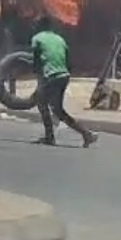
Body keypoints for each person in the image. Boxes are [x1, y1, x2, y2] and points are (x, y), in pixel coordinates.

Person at [30, 14, 96, 148]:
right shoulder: (60, 39)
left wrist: (38, 76)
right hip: (64, 75)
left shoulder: (36, 38)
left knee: (41, 102)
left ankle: (50, 137)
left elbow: (36, 62)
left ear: (40, 26)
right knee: (58, 110)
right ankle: (86, 134)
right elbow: (68, 60)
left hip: (51, 76)